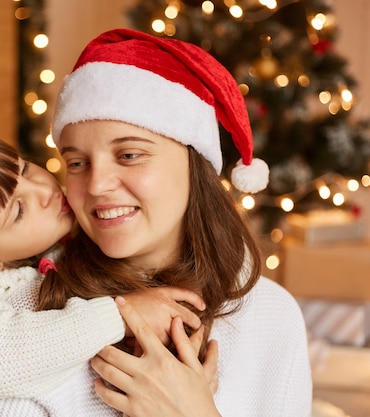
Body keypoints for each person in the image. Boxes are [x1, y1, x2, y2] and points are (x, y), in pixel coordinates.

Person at [48, 28, 313, 416]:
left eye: (129, 155)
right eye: (76, 163)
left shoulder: (272, 317)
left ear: (195, 165)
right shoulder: (31, 316)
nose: (97, 185)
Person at [0, 132, 216, 417]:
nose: (44, 191)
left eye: (23, 169)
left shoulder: (38, 239)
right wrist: (121, 316)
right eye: (19, 210)